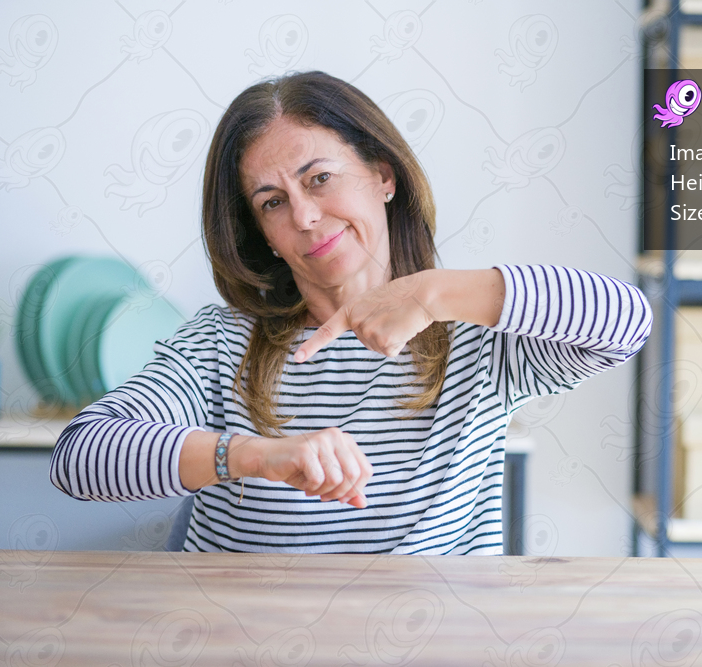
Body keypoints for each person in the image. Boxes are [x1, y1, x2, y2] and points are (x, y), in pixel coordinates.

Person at [50, 70, 653, 554]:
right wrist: (254, 455)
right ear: (261, 233)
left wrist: (433, 293)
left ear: (383, 176)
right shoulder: (221, 342)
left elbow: (628, 322)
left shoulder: (477, 337)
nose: (305, 217)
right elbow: (80, 459)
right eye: (272, 202)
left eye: (320, 178)